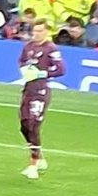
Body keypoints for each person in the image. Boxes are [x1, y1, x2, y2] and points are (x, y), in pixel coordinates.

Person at [17, 19, 65, 180]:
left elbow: (61, 69)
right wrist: (25, 69)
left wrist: (43, 73)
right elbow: (21, 60)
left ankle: (33, 165)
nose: (36, 34)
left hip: (40, 91)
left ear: (46, 32)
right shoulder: (28, 46)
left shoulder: (51, 48)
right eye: (35, 31)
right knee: (24, 126)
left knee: (33, 124)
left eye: (40, 31)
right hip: (28, 90)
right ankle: (39, 157)